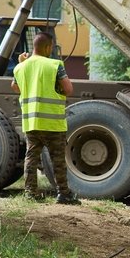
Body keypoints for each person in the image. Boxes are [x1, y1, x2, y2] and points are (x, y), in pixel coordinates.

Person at [10, 31, 81, 205]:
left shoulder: (20, 67)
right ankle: (63, 194)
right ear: (48, 47)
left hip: (31, 122)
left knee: (31, 157)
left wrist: (24, 65)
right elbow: (68, 89)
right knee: (57, 159)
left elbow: (15, 87)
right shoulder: (55, 65)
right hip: (52, 122)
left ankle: (30, 193)